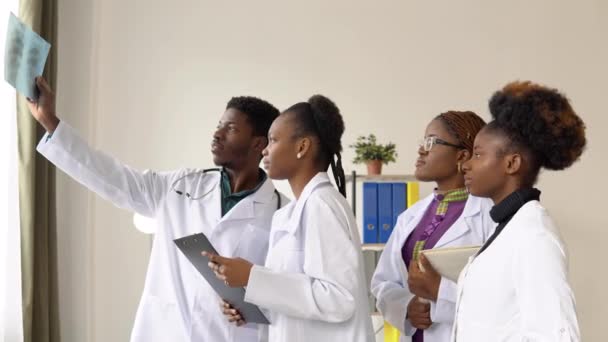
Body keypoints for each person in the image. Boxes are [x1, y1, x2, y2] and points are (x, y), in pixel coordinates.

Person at [27, 76, 286, 341]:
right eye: (219, 125)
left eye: (230, 128)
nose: (217, 133)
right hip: (166, 330)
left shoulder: (282, 214)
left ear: (258, 144)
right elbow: (111, 177)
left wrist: (254, 306)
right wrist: (50, 122)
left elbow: (286, 294)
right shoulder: (179, 185)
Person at [204, 95, 375, 342]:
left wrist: (253, 277)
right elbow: (294, 298)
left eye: (273, 140)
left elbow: (339, 299)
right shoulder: (290, 212)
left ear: (302, 147)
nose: (264, 149)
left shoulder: (322, 205)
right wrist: (250, 304)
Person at [453, 81, 585, 341]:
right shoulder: (509, 227)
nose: (465, 165)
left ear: (511, 163)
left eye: (478, 155)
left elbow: (557, 336)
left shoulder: (534, 236)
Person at [371, 111, 495, 342]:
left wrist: (441, 292)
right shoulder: (410, 217)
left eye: (431, 142)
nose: (421, 150)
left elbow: (499, 296)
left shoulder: (488, 215)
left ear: (462, 155)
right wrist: (406, 307)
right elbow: (382, 282)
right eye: (422, 142)